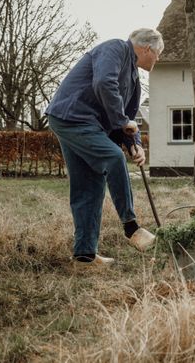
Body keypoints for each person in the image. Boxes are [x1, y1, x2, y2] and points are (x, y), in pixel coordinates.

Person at [46, 28, 164, 266]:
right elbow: (104, 82)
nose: (158, 59)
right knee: (113, 157)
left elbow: (128, 118)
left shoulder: (134, 80)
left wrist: (135, 145)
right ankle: (131, 228)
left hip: (87, 125)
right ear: (147, 48)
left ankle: (85, 255)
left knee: (89, 185)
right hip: (72, 116)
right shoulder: (115, 49)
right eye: (158, 53)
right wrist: (122, 122)